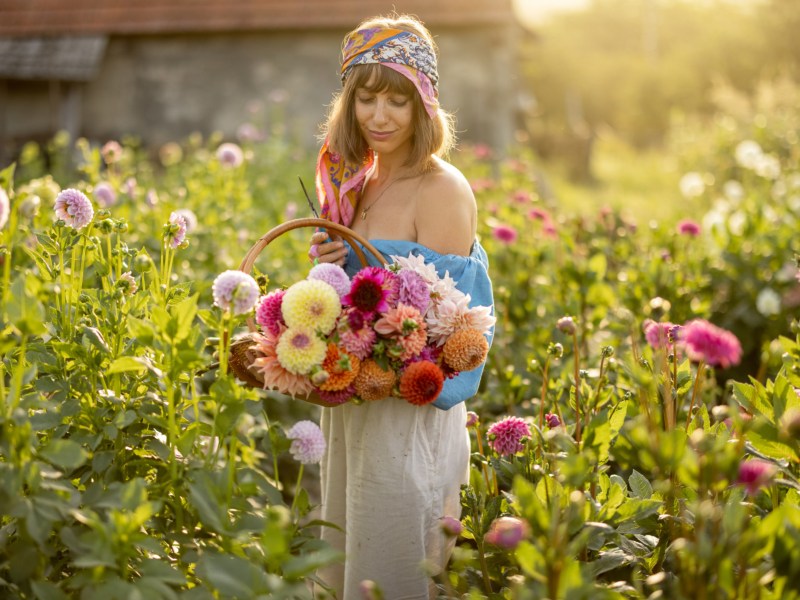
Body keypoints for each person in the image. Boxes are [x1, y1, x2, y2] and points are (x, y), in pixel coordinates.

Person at [308, 14, 494, 599]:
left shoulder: (441, 189)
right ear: (349, 103)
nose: (379, 116)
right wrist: (326, 268)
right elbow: (347, 301)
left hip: (404, 412)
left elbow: (447, 330)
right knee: (346, 546)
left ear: (424, 104)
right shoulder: (354, 185)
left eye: (397, 100)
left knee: (392, 561)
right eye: (366, 99)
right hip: (351, 405)